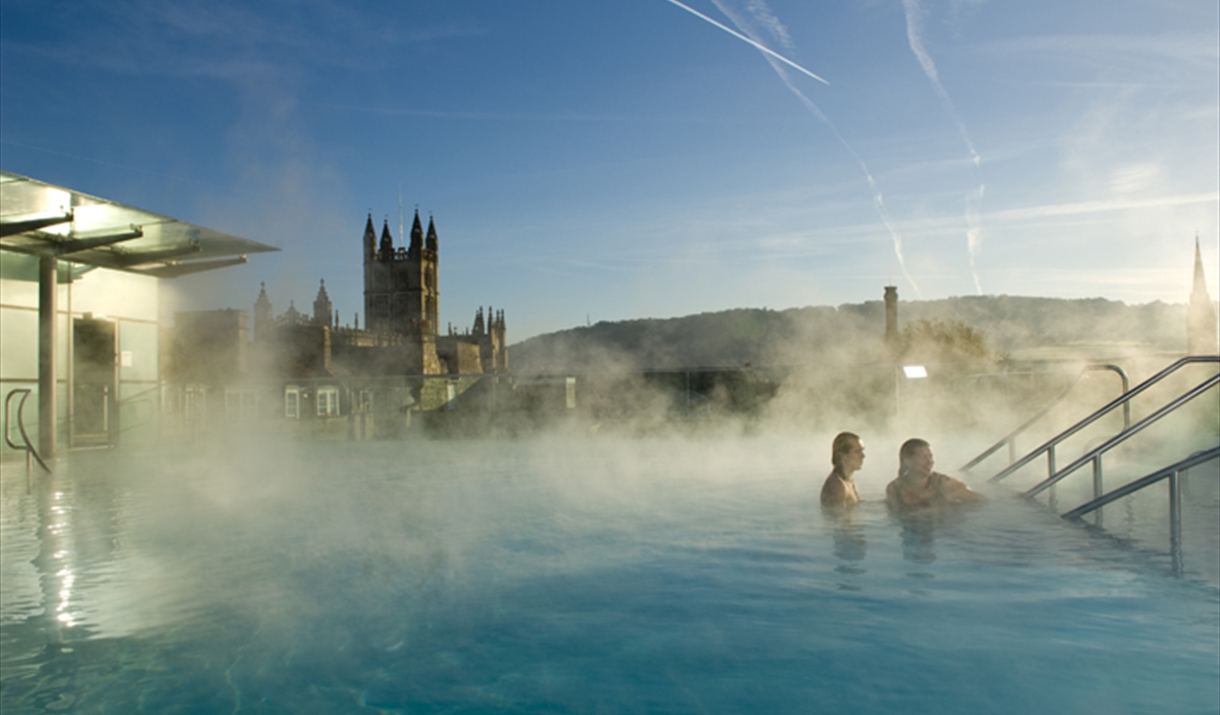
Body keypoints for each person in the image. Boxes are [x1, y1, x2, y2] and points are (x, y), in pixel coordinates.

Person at [885, 438, 984, 510]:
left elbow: (982, 501)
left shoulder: (946, 485)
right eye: (923, 457)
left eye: (930, 457)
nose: (930, 462)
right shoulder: (895, 489)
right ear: (908, 462)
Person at [820, 432, 864, 508]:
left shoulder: (850, 482)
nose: (863, 456)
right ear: (842, 455)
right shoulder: (838, 486)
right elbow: (836, 518)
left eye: (862, 451)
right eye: (857, 452)